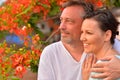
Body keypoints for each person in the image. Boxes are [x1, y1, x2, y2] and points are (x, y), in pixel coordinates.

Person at [37, 1, 120, 80]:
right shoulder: (50, 53)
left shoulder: (107, 45)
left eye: (69, 21)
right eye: (61, 20)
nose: (61, 27)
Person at [80, 8, 120, 80]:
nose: (82, 38)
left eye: (89, 33)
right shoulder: (117, 58)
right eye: (82, 32)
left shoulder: (102, 68)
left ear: (107, 35)